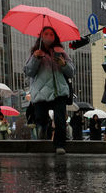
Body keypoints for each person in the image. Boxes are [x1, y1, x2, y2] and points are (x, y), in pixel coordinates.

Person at [23, 26, 75, 154]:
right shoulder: (35, 52)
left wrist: (63, 63)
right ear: (41, 36)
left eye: (51, 34)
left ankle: (60, 145)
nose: (49, 36)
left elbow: (72, 72)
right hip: (41, 91)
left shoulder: (61, 52)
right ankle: (42, 128)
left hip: (59, 91)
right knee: (40, 117)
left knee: (60, 119)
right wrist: (36, 58)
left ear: (55, 37)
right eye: (46, 34)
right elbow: (29, 71)